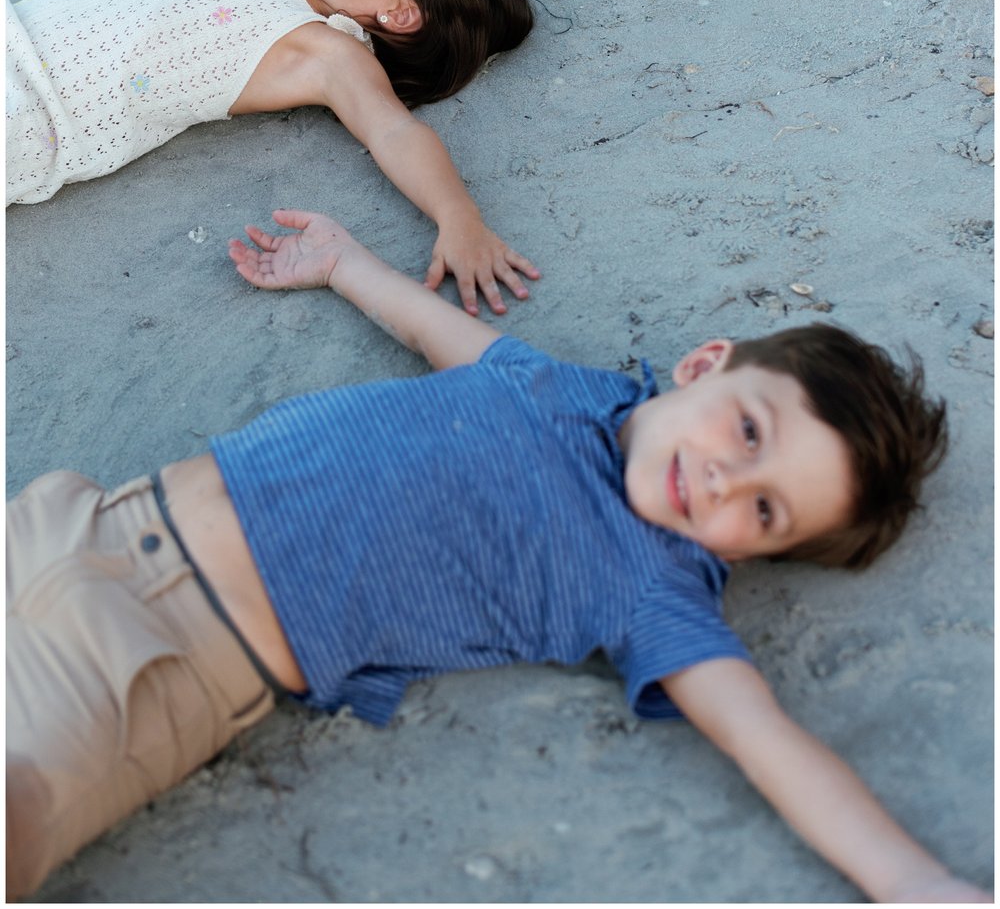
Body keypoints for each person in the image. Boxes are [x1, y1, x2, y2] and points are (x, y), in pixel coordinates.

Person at [6, 212, 989, 903]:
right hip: (85, 521)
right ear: (703, 366)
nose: (726, 482)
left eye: (766, 509)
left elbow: (766, 737)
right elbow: (445, 333)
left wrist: (909, 880)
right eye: (745, 431)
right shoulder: (561, 386)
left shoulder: (653, 586)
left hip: (157, 659)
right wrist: (342, 263)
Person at [5, 0, 537, 313]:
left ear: (400, 12)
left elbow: (393, 131)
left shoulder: (323, 48)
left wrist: (457, 217)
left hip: (28, 111)